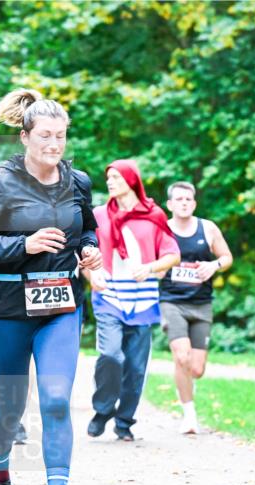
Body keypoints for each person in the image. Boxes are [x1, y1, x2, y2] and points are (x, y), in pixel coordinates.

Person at [0, 88, 102, 485]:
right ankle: (0, 473)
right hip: (7, 310)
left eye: (60, 136)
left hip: (60, 305)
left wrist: (89, 250)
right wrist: (25, 245)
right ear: (24, 136)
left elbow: (88, 227)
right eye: (44, 136)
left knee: (57, 399)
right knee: (12, 408)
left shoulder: (77, 181)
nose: (53, 145)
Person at [85, 160, 181, 441]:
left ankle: (124, 422)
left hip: (143, 299)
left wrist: (150, 268)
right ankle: (103, 409)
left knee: (136, 368)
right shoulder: (99, 214)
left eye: (115, 177)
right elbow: (84, 250)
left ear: (131, 180)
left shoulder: (154, 215)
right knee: (111, 355)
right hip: (109, 296)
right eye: (108, 178)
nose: (110, 182)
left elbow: (172, 254)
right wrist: (92, 273)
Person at [158, 181, 233, 434]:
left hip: (201, 303)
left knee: (197, 369)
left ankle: (187, 384)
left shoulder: (208, 228)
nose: (184, 203)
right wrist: (159, 269)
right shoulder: (162, 230)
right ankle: (189, 415)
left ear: (194, 203)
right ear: (169, 205)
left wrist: (214, 266)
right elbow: (151, 263)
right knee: (182, 356)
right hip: (171, 301)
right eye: (178, 199)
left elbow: (227, 257)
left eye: (188, 199)